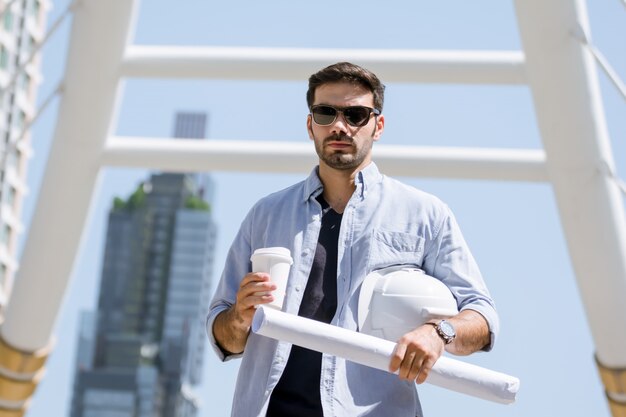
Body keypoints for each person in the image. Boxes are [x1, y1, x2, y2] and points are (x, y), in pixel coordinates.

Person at [207, 62, 499, 417]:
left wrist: (440, 332)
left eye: (356, 114)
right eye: (325, 113)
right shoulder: (265, 215)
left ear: (378, 126)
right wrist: (239, 315)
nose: (340, 126)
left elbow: (482, 316)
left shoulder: (425, 214)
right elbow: (224, 337)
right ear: (309, 124)